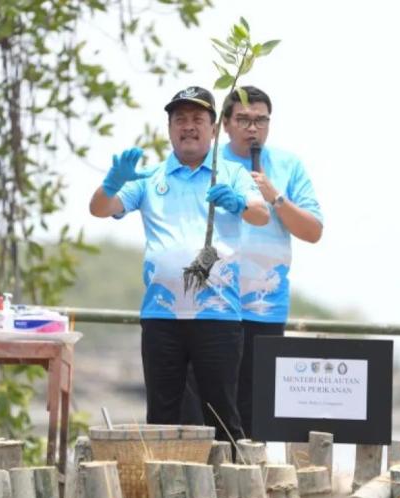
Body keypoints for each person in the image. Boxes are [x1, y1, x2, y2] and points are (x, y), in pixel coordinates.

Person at [89, 86, 269, 443]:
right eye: (180, 119)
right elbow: (100, 208)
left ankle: (229, 492)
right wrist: (111, 183)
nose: (189, 126)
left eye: (198, 119)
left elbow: (261, 215)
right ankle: (163, 496)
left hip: (217, 315)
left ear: (214, 128)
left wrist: (237, 202)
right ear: (169, 128)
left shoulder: (230, 173)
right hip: (161, 316)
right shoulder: (150, 177)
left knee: (221, 414)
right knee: (162, 417)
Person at [222, 86, 323, 436]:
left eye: (260, 120)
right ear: (225, 124)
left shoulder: (288, 165)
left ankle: (248, 482)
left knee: (255, 413)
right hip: (213, 306)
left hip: (266, 307)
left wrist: (275, 196)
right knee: (212, 406)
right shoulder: (210, 161)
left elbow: (313, 231)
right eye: (244, 120)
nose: (253, 128)